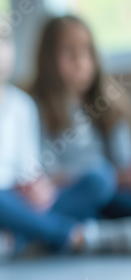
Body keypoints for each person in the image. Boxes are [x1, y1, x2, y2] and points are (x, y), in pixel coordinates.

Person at [0, 11, 131, 265]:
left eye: (1, 38)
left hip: (19, 203)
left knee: (99, 181)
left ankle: (2, 242)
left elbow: (29, 168)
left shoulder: (21, 104)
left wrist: (38, 186)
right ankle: (76, 235)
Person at [31, 15, 131, 229]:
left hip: (111, 191)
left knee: (108, 191)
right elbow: (47, 174)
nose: (80, 61)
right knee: (98, 182)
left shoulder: (108, 105)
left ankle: (93, 225)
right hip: (73, 192)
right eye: (68, 52)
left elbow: (123, 162)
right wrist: (107, 176)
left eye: (86, 51)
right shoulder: (36, 108)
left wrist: (118, 176)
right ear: (48, 58)